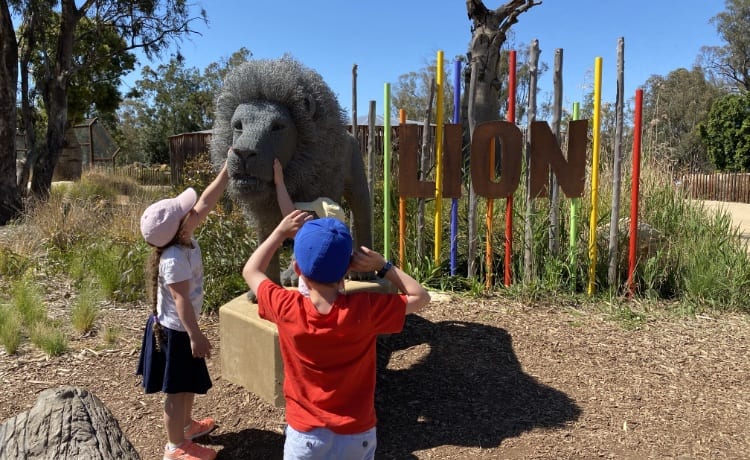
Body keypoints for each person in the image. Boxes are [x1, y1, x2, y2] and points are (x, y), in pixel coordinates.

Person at [242, 210, 431, 460]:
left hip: (305, 436)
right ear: (347, 270)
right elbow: (421, 296)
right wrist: (382, 265)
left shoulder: (286, 306)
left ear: (298, 269)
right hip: (356, 433)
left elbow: (251, 271)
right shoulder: (366, 309)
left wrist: (279, 233)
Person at [136, 161, 228, 460]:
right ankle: (175, 446)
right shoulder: (174, 258)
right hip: (177, 333)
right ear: (178, 228)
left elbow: (205, 201)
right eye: (185, 212)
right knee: (176, 392)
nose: (193, 212)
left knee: (186, 384)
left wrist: (227, 170)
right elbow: (181, 302)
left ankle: (186, 427)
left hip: (182, 329)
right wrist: (196, 336)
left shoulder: (181, 235)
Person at [273, 158, 346, 296]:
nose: (301, 214)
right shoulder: (340, 247)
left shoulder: (308, 239)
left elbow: (288, 213)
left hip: (308, 305)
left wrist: (279, 182)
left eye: (307, 212)